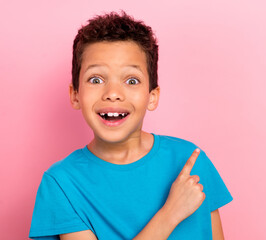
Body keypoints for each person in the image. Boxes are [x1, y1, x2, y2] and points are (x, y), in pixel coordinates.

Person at [29, 11, 233, 240]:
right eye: (96, 79)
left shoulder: (191, 161)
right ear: (75, 95)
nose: (113, 94)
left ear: (152, 96)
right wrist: (170, 214)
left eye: (131, 80)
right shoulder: (62, 183)